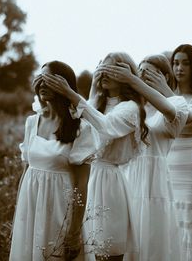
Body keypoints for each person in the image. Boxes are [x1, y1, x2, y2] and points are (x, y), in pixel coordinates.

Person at [42, 52, 148, 261]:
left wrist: (72, 94)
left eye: (111, 69)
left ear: (125, 73)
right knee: (79, 249)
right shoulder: (96, 103)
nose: (104, 73)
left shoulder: (130, 108)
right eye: (101, 68)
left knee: (106, 250)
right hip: (82, 179)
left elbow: (107, 127)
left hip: (108, 182)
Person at [96, 54, 189, 261]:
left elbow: (171, 112)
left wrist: (132, 80)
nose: (140, 76)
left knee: (153, 236)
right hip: (126, 175)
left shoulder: (176, 104)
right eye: (139, 71)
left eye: (148, 73)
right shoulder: (130, 106)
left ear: (165, 76)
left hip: (154, 182)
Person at [9, 61, 98, 261]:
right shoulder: (32, 122)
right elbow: (26, 170)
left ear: (63, 85)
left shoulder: (81, 128)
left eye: (48, 80)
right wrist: (19, 214)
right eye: (39, 79)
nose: (41, 84)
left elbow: (81, 184)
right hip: (30, 203)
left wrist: (74, 230)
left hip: (59, 205)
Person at [142, 45, 192, 260]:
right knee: (167, 223)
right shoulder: (158, 100)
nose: (179, 68)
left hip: (190, 167)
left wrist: (164, 92)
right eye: (176, 63)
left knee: (189, 223)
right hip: (164, 166)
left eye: (186, 63)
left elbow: (188, 115)